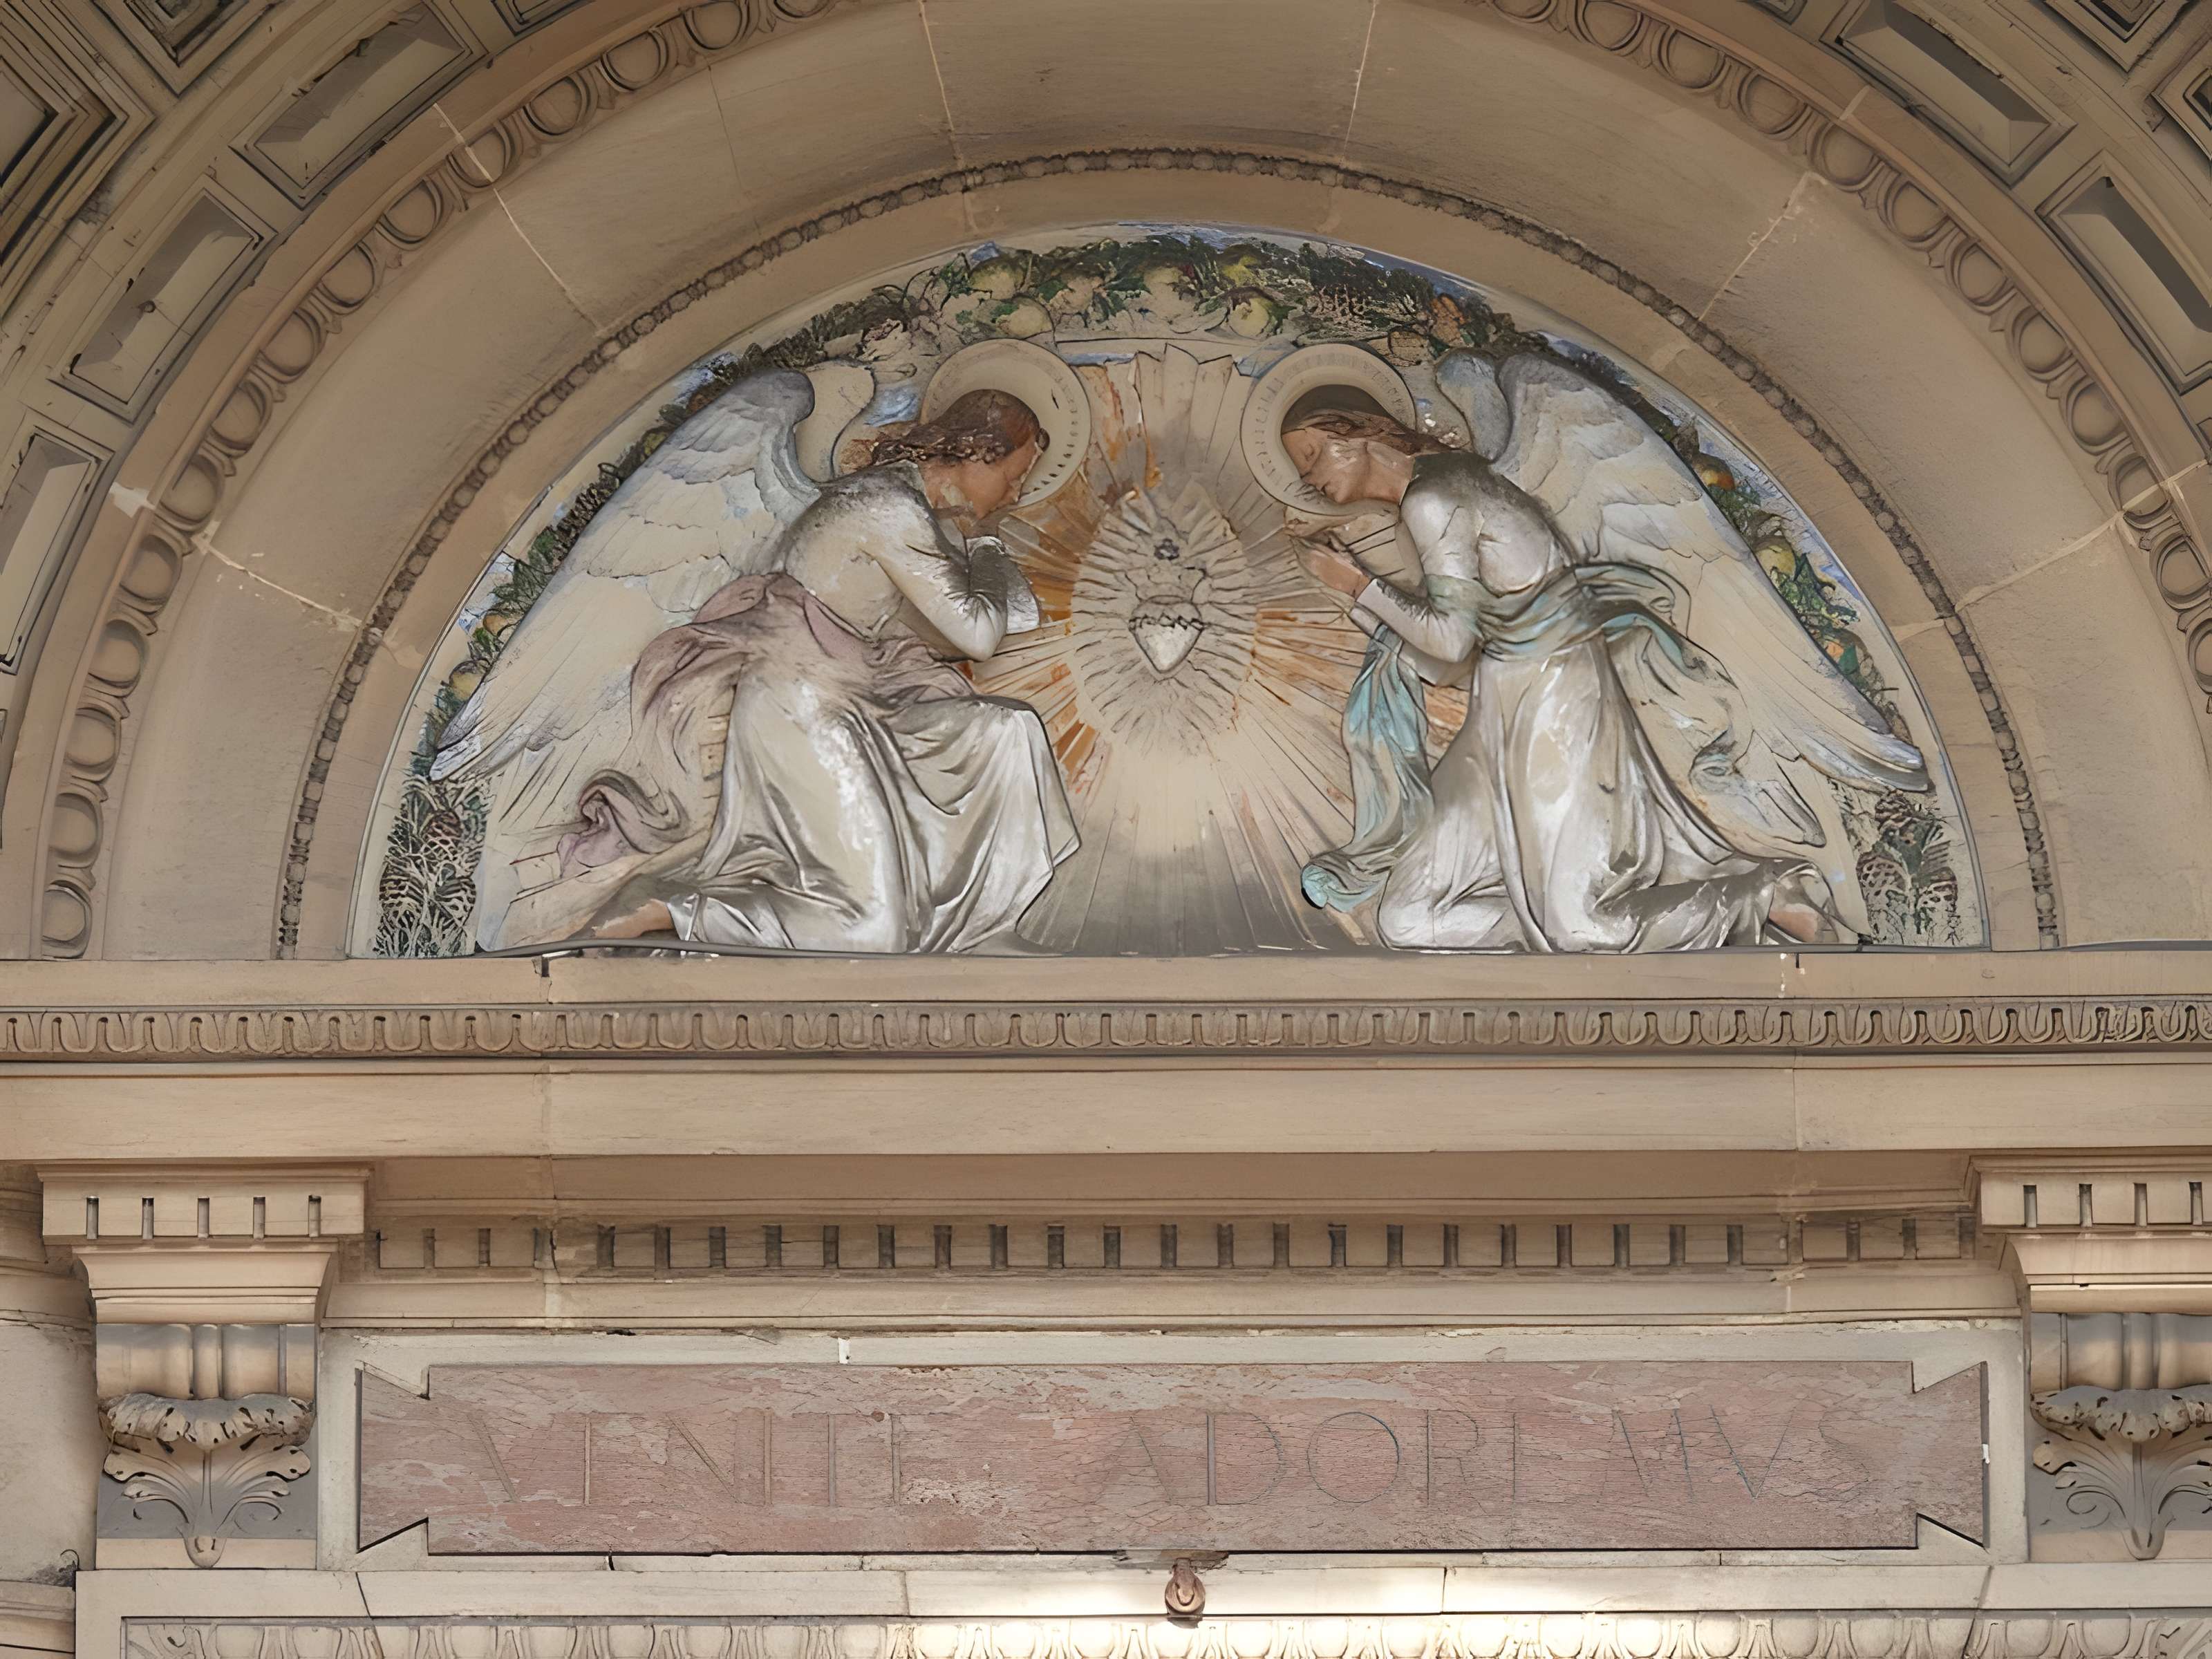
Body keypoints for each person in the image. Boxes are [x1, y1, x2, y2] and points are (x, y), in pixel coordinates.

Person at [1286, 398, 1837, 951]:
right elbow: (1454, 657)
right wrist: (1365, 604)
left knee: (1583, 929)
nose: (1309, 478)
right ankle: (1548, 934)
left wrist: (1360, 586)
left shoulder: (1433, 499)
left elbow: (1451, 638)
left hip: (1555, 699)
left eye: (1312, 456)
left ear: (1359, 434)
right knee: (1408, 917)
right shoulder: (1448, 482)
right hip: (1501, 702)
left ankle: (1765, 895)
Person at [574, 390, 1077, 951]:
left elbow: (1012, 617)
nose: (1018, 492)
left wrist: (970, 540)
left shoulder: (911, 515)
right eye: (1014, 474)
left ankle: (986, 927)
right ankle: (669, 908)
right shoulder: (887, 508)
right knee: (870, 930)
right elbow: (979, 635)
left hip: (862, 703)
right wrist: (983, 541)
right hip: (800, 707)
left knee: (1007, 731)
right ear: (981, 453)